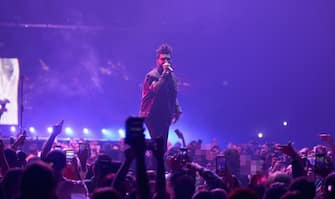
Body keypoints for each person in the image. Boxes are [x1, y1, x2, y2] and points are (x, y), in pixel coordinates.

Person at [140, 43, 182, 152]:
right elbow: (155, 89)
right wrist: (164, 74)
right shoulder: (152, 75)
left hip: (165, 114)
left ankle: (159, 167)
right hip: (152, 114)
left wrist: (177, 109)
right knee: (158, 145)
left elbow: (172, 93)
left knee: (162, 146)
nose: (165, 62)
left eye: (168, 59)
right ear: (157, 60)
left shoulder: (171, 77)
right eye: (162, 59)